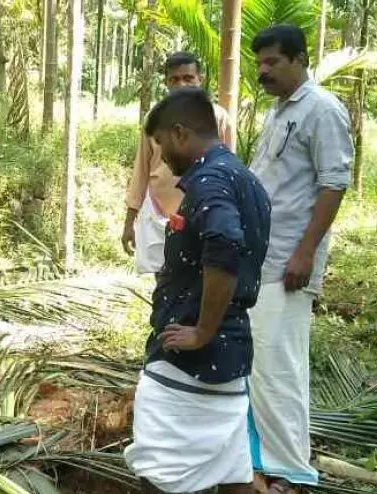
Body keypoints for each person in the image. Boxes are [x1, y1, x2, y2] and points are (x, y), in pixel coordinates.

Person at [123, 88, 271, 494]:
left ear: (180, 133)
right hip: (232, 352)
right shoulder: (245, 179)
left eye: (162, 145)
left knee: (158, 469)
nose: (163, 158)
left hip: (191, 357)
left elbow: (224, 243)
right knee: (231, 469)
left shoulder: (210, 181)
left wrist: (202, 330)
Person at [247, 25, 353, 494]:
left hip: (290, 260)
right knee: (259, 365)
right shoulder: (278, 113)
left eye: (272, 61)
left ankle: (291, 472)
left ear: (299, 59)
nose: (262, 70)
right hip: (261, 258)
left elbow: (334, 184)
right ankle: (260, 461)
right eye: (260, 62)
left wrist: (305, 251)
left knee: (280, 367)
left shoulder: (322, 110)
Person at [122, 52, 234, 274]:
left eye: (188, 78)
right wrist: (129, 223)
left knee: (195, 280)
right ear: (166, 83)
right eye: (174, 79)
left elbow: (227, 168)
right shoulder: (154, 120)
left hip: (201, 215)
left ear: (199, 80)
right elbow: (141, 171)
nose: (181, 84)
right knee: (155, 282)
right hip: (155, 213)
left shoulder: (218, 119)